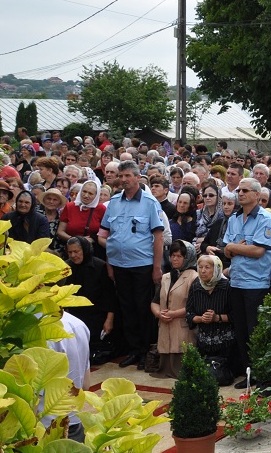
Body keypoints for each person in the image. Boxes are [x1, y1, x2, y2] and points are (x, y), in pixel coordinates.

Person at [100, 161, 166, 370]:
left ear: (138, 178)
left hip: (142, 264)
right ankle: (133, 350)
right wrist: (110, 264)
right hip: (119, 265)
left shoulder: (149, 202)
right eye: (122, 176)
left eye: (128, 175)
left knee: (142, 308)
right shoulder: (114, 202)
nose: (124, 179)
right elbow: (108, 236)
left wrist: (157, 267)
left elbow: (159, 236)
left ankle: (146, 350)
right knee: (126, 308)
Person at [223, 177, 271, 388]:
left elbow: (258, 251)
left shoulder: (265, 218)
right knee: (241, 330)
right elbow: (225, 248)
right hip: (236, 281)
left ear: (256, 194)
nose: (241, 193)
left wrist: (235, 248)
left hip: (256, 283)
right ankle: (248, 374)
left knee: (255, 331)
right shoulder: (234, 218)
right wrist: (235, 247)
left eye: (245, 190)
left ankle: (260, 374)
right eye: (239, 190)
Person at [61, 236, 115, 365]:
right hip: (75, 316)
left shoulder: (99, 266)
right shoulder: (67, 268)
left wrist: (109, 320)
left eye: (76, 251)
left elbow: (110, 296)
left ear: (84, 250)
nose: (73, 255)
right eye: (70, 252)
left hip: (97, 317)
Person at [151, 241, 199, 379]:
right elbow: (155, 301)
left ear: (187, 257)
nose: (175, 259)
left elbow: (194, 306)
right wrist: (158, 313)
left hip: (182, 326)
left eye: (179, 256)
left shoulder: (194, 277)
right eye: (173, 255)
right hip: (165, 324)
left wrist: (173, 314)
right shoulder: (166, 277)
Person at [186, 254, 234, 363]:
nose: (203, 271)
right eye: (200, 267)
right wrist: (201, 318)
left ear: (216, 269)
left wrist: (217, 318)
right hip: (203, 346)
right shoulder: (196, 287)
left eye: (207, 267)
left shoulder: (227, 286)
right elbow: (188, 314)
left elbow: (236, 315)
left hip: (226, 347)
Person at [58, 180, 106, 246]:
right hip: (72, 247)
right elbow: (60, 231)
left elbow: (106, 233)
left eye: (90, 193)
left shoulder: (101, 209)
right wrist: (76, 240)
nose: (86, 195)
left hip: (93, 249)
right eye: (84, 191)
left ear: (96, 195)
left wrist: (93, 239)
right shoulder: (70, 207)